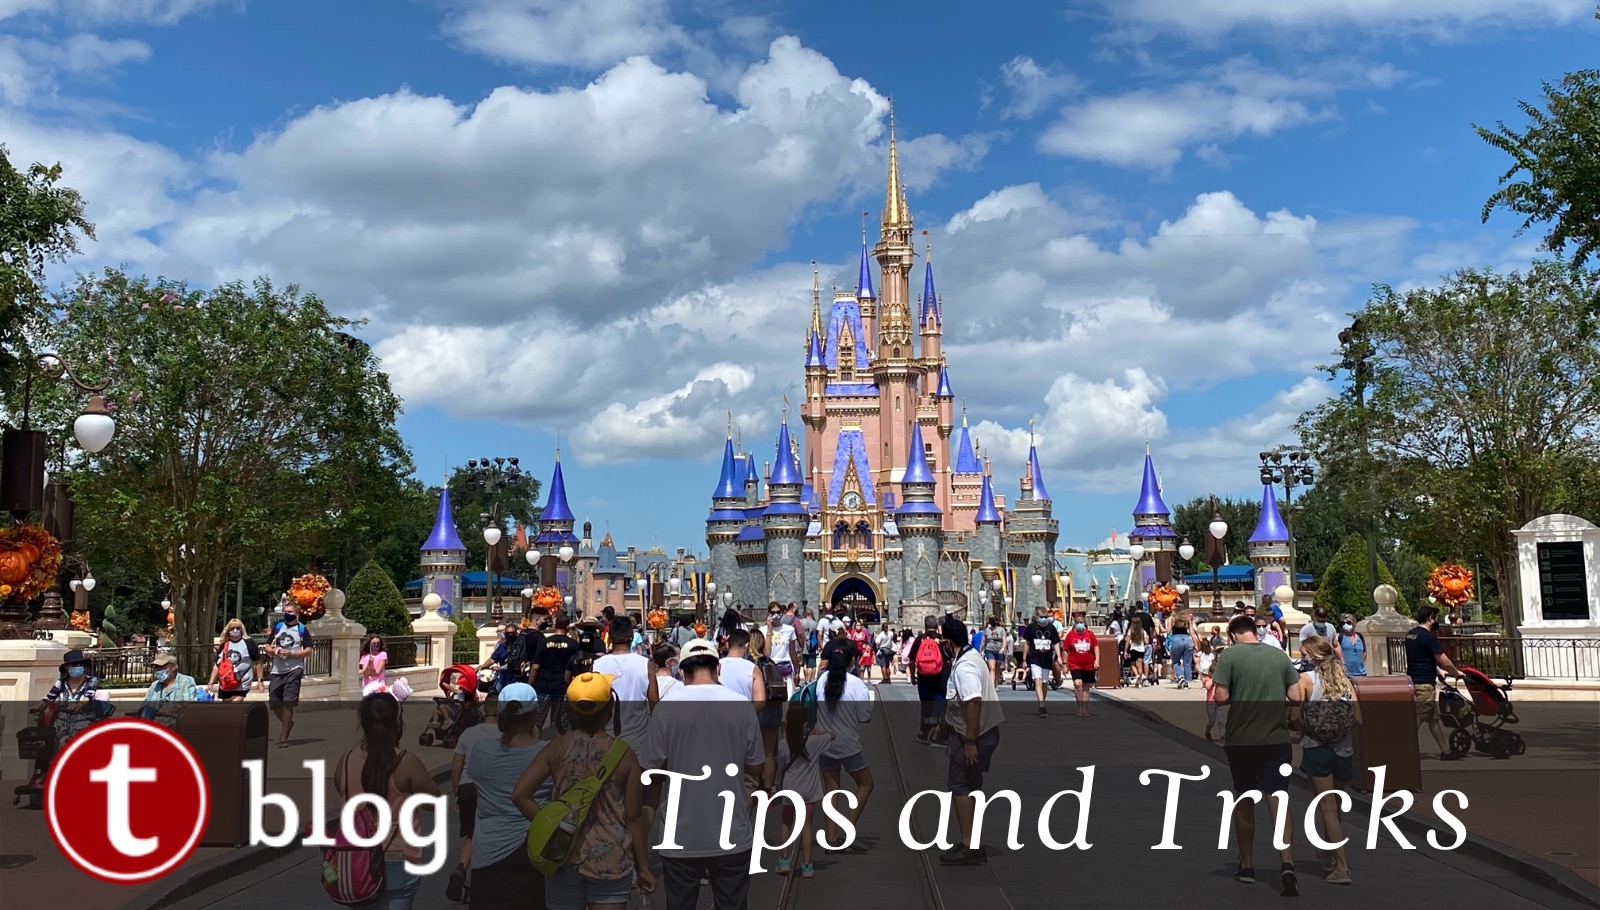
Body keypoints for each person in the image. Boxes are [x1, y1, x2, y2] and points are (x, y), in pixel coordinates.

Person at [638, 639, 765, 910]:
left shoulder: (666, 708)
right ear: (717, 668)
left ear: (682, 672)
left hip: (680, 833)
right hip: (731, 832)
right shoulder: (741, 705)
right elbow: (755, 766)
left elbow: (650, 768)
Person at [512, 672, 655, 910]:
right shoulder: (625, 755)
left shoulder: (556, 748)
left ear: (571, 711)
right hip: (610, 856)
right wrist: (643, 868)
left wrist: (548, 824)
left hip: (562, 853)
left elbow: (520, 794)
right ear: (609, 709)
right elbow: (634, 817)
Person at [1211, 614, 1303, 895]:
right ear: (1255, 631)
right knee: (1278, 800)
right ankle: (1286, 862)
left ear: (1233, 634)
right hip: (1276, 738)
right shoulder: (1278, 656)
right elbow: (1297, 696)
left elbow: (1221, 697)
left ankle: (1247, 864)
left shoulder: (1229, 656)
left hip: (1242, 739)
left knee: (1245, 800)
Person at [335, 693, 441, 910]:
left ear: (363, 724)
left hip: (356, 862)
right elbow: (433, 802)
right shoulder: (406, 761)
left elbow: (344, 793)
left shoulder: (345, 761)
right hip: (398, 860)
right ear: (398, 724)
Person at [465, 683, 550, 910]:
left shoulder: (482, 750)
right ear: (535, 713)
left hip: (488, 852)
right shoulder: (548, 753)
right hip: (534, 850)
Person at [1294, 635, 1359, 885]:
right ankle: (1328, 852)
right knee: (1335, 808)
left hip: (1317, 748)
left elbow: (1295, 715)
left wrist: (1308, 729)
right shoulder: (1345, 681)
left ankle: (1341, 867)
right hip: (1343, 750)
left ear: (1312, 656)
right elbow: (1359, 718)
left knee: (1327, 808)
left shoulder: (1306, 680)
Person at [938, 616, 1003, 866]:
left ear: (948, 642)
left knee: (960, 786)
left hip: (975, 736)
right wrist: (945, 725)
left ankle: (968, 845)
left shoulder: (964, 666)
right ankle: (975, 841)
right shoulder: (971, 657)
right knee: (972, 784)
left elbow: (973, 702)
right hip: (978, 733)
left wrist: (969, 742)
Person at [814, 646, 874, 854]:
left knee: (832, 790)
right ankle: (847, 831)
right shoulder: (857, 685)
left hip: (825, 743)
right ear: (853, 661)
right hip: (848, 744)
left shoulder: (822, 680)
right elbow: (865, 717)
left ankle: (831, 839)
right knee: (866, 784)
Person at [445, 697, 500, 904]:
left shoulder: (468, 733)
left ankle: (461, 868)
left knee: (470, 832)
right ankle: (480, 878)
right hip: (489, 787)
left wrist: (457, 792)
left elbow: (455, 767)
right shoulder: (505, 735)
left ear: (483, 711)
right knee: (487, 832)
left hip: (467, 786)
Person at [773, 704, 832, 880]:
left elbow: (782, 765)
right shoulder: (815, 742)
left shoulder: (784, 744)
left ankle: (784, 861)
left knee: (786, 824)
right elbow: (833, 736)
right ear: (805, 723)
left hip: (790, 792)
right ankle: (807, 866)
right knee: (806, 828)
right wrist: (817, 732)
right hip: (808, 793)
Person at [1404, 605, 1463, 760]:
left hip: (1412, 680)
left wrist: (1438, 671)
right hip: (1424, 683)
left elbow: (1421, 658)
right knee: (1418, 717)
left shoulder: (1411, 635)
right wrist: (1455, 672)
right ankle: (1400, 749)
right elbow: (1443, 659)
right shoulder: (1428, 637)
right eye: (1435, 618)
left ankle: (1446, 751)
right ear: (1430, 618)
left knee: (1433, 719)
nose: (1436, 621)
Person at [594, 616, 656, 750]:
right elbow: (654, 703)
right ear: (632, 637)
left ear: (609, 638)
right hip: (638, 740)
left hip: (604, 740)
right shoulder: (645, 664)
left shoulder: (597, 665)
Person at [264, 604, 313, 748]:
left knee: (288, 702)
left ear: (297, 613)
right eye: (285, 612)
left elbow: (308, 650)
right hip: (278, 669)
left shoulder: (302, 629)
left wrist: (292, 654)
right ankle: (288, 723)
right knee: (274, 702)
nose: (287, 614)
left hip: (294, 669)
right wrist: (274, 651)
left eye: (290, 612)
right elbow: (267, 646)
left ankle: (283, 735)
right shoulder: (278, 627)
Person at [530, 614, 581, 732]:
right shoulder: (573, 645)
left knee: (537, 722)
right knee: (560, 725)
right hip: (562, 688)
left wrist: (530, 685)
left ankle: (534, 746)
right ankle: (558, 748)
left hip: (543, 687)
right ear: (567, 627)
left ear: (554, 625)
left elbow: (535, 667)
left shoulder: (544, 642)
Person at [907, 615, 948, 743]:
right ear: (937, 626)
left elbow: (912, 660)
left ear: (924, 626)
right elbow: (948, 658)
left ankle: (926, 732)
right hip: (940, 678)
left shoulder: (920, 639)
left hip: (924, 678)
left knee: (926, 705)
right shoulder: (941, 639)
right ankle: (939, 733)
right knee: (939, 705)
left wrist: (913, 675)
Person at [209, 618, 264, 700]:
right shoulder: (224, 645)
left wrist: (260, 681)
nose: (235, 630)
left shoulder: (249, 643)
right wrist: (211, 682)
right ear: (228, 630)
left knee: (236, 702)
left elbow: (258, 662)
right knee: (227, 707)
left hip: (243, 681)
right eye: (232, 628)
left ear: (242, 629)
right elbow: (217, 665)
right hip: (226, 681)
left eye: (238, 628)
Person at [1024, 609, 1061, 717]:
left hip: (1047, 658)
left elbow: (1056, 643)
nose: (1044, 618)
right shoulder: (1031, 627)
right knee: (1038, 681)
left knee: (1044, 683)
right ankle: (1041, 705)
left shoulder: (1051, 628)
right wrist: (1024, 659)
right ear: (1037, 616)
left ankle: (1042, 703)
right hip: (1035, 658)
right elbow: (1027, 643)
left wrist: (1059, 657)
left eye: (1045, 616)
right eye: (1042, 616)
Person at [1061, 611, 1098, 717]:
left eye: (1081, 622)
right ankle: (1079, 708)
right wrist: (1064, 664)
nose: (1080, 624)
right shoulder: (1071, 636)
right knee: (1078, 684)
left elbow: (1096, 647)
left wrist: (1097, 660)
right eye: (1078, 622)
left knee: (1086, 686)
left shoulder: (1090, 634)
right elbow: (1066, 650)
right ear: (1075, 623)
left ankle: (1084, 709)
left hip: (1089, 664)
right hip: (1075, 664)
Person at [1196, 637, 1222, 742]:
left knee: (1221, 719)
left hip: (1219, 701)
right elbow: (1207, 687)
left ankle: (1223, 735)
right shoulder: (1208, 679)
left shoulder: (1210, 654)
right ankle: (1208, 731)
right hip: (1211, 702)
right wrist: (1212, 678)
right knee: (1212, 720)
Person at [1167, 619, 1194, 689]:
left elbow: (1168, 631)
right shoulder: (1187, 618)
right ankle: (1187, 682)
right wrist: (1195, 643)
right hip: (1187, 639)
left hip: (1176, 639)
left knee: (1175, 661)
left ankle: (1181, 677)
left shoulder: (1172, 618)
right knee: (1187, 663)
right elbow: (1191, 632)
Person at [981, 617, 1008, 687]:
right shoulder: (987, 630)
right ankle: (992, 686)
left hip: (999, 651)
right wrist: (980, 651)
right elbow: (983, 642)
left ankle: (996, 683)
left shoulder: (1001, 630)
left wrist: (1003, 648)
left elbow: (1004, 640)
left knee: (997, 668)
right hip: (989, 650)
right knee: (992, 668)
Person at [1123, 620, 1149, 688]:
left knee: (1132, 664)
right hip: (1141, 649)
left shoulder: (1131, 630)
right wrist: (1147, 638)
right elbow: (1146, 642)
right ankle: (1140, 682)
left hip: (1133, 649)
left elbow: (1128, 641)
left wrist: (1125, 651)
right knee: (1140, 666)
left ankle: (1137, 676)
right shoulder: (1143, 631)